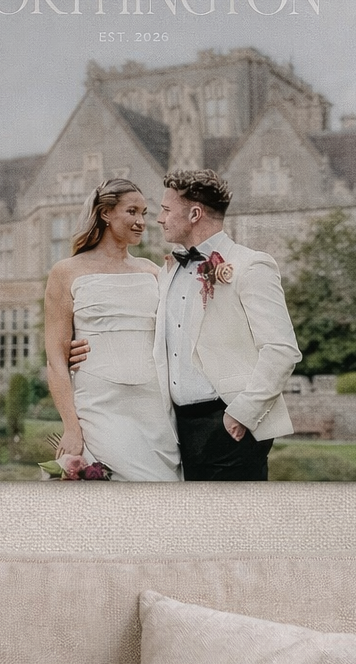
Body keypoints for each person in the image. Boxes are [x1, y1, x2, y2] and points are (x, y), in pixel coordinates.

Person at [71, 169, 301, 481]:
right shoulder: (167, 272)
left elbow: (281, 350)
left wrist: (243, 412)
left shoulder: (250, 265)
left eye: (166, 210)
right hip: (176, 430)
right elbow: (136, 327)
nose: (158, 219)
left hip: (230, 425)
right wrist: (83, 348)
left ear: (194, 214)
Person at [43, 178, 181, 482]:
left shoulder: (153, 272)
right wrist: (71, 427)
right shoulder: (65, 272)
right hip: (99, 406)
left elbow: (178, 337)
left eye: (144, 213)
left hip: (154, 408)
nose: (141, 222)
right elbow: (55, 360)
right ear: (105, 213)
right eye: (132, 211)